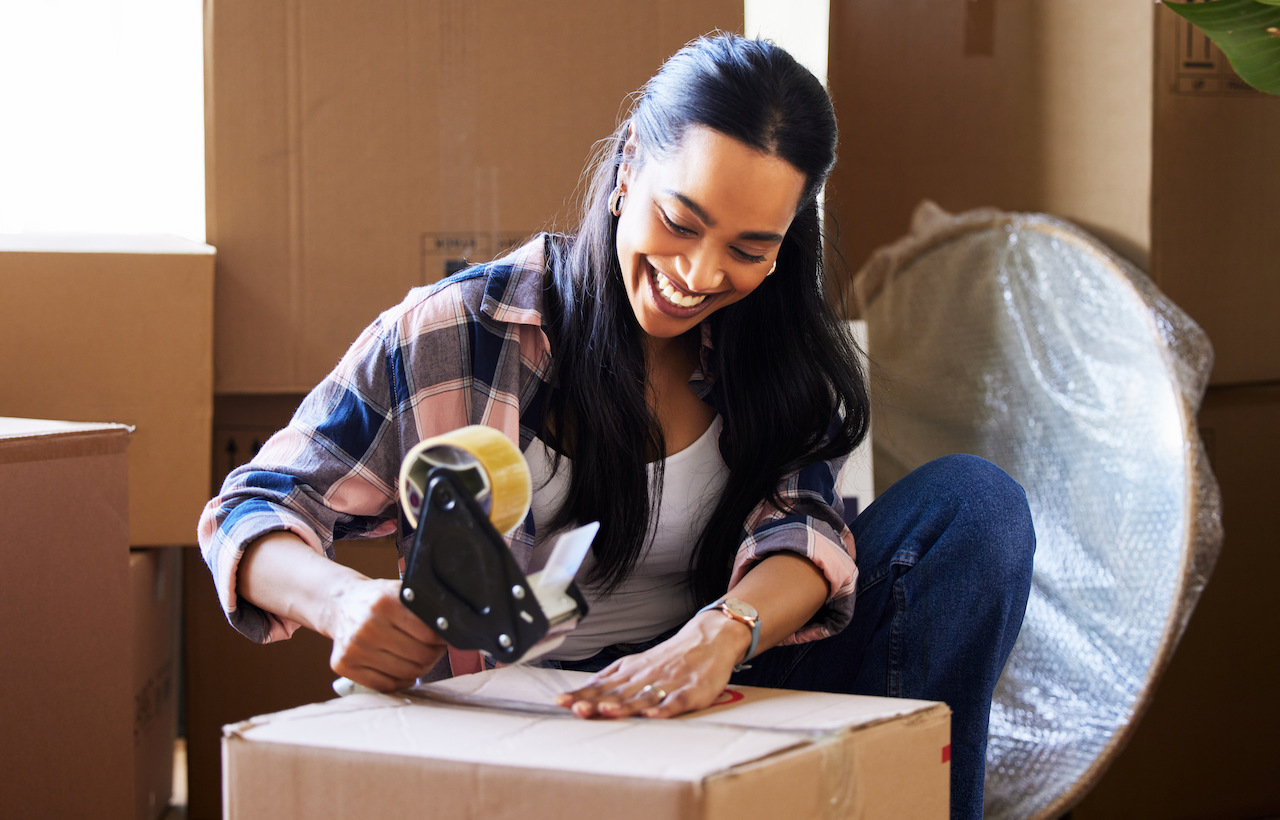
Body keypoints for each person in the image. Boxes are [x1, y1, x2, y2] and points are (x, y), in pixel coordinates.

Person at [198, 33, 1034, 820]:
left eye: (750, 248)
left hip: (725, 687)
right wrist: (343, 603)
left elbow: (805, 532)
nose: (700, 274)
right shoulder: (462, 330)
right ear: (630, 162)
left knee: (977, 507)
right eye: (682, 221)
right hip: (522, 721)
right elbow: (255, 506)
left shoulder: (776, 353)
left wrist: (720, 635)